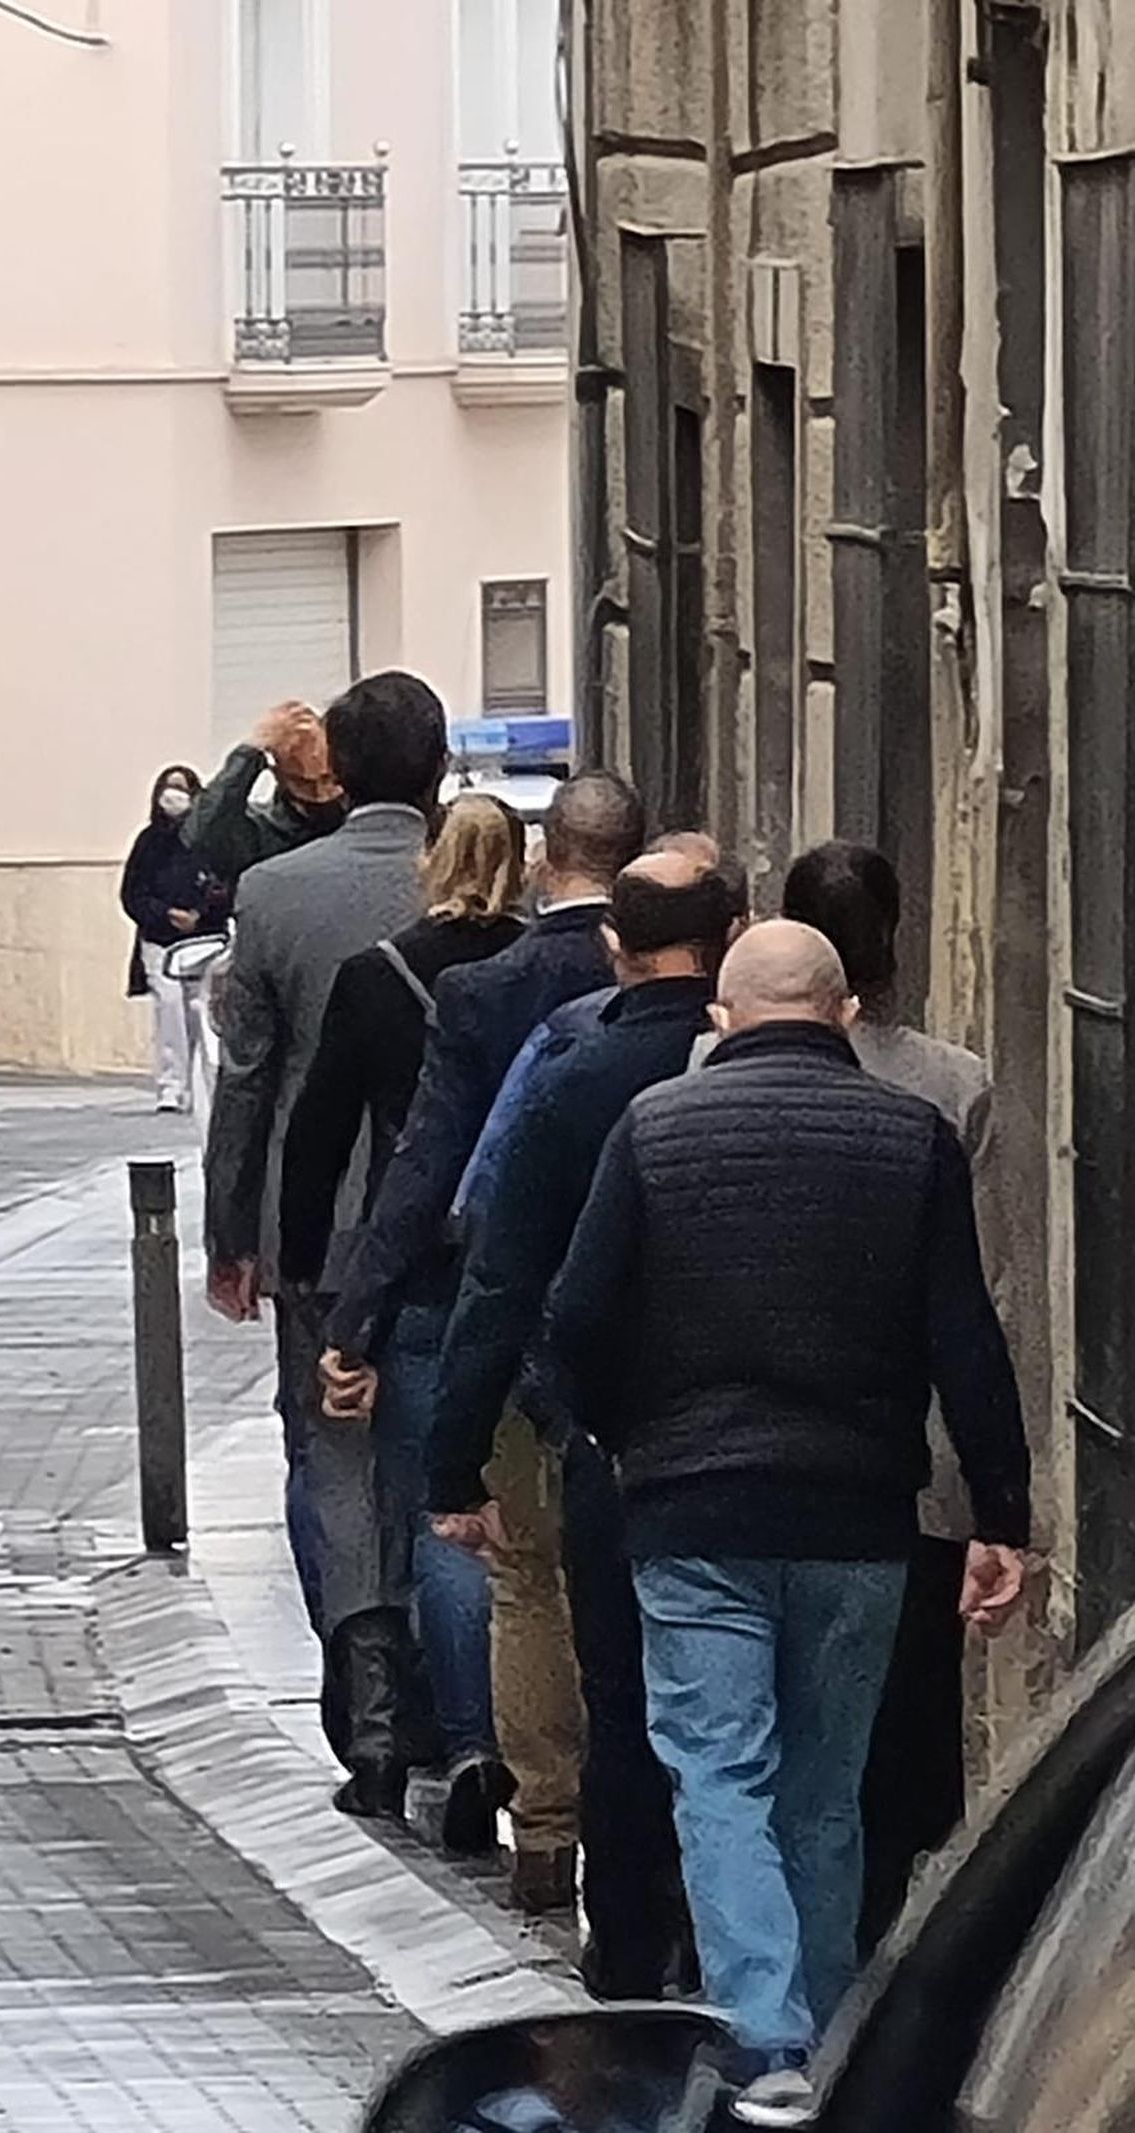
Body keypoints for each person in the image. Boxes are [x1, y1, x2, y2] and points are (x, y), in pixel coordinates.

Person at [539, 920, 1031, 2128]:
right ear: (846, 1012)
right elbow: (963, 1337)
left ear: (721, 1016)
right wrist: (1000, 1515)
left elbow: (573, 1318)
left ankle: (767, 2040)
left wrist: (617, 1441)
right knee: (825, 1786)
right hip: (857, 1512)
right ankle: (825, 2038)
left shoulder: (654, 1128)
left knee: (717, 1772)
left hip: (692, 1510)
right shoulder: (908, 1137)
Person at [321, 769, 646, 1914]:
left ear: (551, 856)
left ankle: (543, 1828)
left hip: (506, 1326)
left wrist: (355, 1314)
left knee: (520, 1579)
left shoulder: (495, 994)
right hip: (649, 1350)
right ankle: (634, 1829)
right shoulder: (694, 1001)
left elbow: (433, 1171)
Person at [431, 845, 745, 1995]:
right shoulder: (760, 1072)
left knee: (622, 1696)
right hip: (770, 1441)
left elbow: (498, 1276)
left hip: (616, 1440)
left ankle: (625, 1946)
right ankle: (743, 1952)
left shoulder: (573, 1073)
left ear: (614, 945)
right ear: (728, 936)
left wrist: (453, 1459)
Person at [204, 670, 450, 1818]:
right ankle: (458, 1708)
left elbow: (246, 1083)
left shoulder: (273, 893)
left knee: (331, 1453)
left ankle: (369, 1695)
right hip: (451, 1222)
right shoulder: (473, 882)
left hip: (317, 1233)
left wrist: (229, 1232)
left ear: (338, 773)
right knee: (445, 1452)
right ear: (439, 766)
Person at [280, 794, 528, 1851]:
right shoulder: (548, 972)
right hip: (532, 1268)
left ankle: (448, 1736)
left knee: (439, 1508)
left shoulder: (376, 978)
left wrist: (315, 1283)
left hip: (422, 1267)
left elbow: (320, 1136)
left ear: (431, 862)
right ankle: (534, 1749)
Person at [774, 842, 993, 1952]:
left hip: (787, 1447)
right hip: (918, 1445)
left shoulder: (718, 1079)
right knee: (913, 1706)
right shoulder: (952, 1085)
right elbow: (966, 1290)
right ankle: (894, 1924)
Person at [119, 766, 229, 1114]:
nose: (175, 795)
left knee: (201, 1013)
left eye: (182, 789)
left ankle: (202, 1085)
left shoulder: (211, 840)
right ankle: (171, 1086)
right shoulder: (149, 842)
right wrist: (166, 914)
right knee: (168, 1010)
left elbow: (226, 888)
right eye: (169, 788)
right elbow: (133, 894)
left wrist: (202, 914)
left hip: (205, 942)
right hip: (160, 942)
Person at [186, 701, 347, 885]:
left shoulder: (361, 820)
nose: (320, 794)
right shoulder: (260, 830)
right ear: (279, 776)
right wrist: (251, 751)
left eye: (328, 779)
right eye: (302, 783)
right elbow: (201, 837)